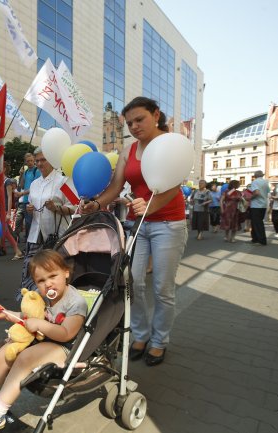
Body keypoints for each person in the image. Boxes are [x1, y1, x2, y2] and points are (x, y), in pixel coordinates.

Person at [80, 96, 187, 367]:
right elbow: (116, 187)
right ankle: (140, 335)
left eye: (140, 119)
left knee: (163, 287)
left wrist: (149, 208)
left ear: (156, 114)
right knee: (132, 283)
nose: (135, 126)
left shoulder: (171, 144)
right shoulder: (128, 150)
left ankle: (160, 340)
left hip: (169, 224)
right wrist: (95, 204)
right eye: (129, 123)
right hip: (139, 224)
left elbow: (173, 186)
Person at [0, 249, 87, 433]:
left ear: (66, 272)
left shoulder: (76, 302)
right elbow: (27, 316)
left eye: (53, 276)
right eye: (41, 281)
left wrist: (39, 325)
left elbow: (67, 333)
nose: (48, 284)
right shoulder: (42, 295)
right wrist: (5, 314)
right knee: (5, 351)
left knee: (25, 358)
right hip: (41, 339)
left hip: (64, 346)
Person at [20, 147, 75, 297]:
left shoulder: (64, 181)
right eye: (37, 160)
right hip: (35, 233)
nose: (39, 163)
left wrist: (56, 208)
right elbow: (31, 203)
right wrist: (29, 209)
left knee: (55, 272)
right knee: (32, 268)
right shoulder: (34, 184)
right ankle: (31, 300)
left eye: (43, 159)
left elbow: (75, 207)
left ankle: (58, 303)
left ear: (51, 160)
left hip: (57, 236)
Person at [13, 153, 40, 243]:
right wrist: (21, 174)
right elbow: (21, 185)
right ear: (25, 162)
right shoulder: (26, 172)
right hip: (25, 200)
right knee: (25, 222)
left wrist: (22, 193)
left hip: (32, 200)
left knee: (30, 222)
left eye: (32, 160)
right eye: (28, 161)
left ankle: (30, 241)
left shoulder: (37, 171)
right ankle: (27, 241)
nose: (30, 163)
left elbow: (35, 187)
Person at [249, 170, 270, 245]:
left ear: (255, 175)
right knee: (256, 222)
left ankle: (261, 240)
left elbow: (256, 193)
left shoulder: (255, 182)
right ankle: (254, 239)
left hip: (256, 205)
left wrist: (250, 198)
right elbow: (268, 192)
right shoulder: (265, 182)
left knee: (257, 223)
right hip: (263, 205)